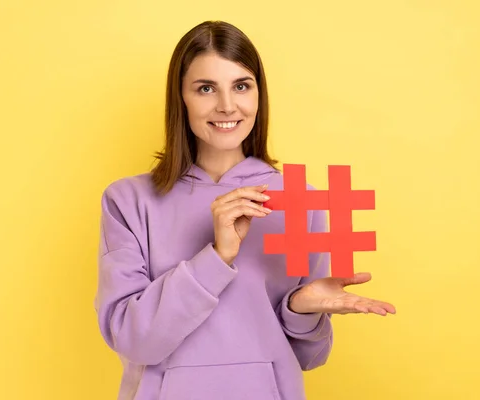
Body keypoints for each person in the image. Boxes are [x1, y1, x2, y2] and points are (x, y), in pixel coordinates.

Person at [94, 20, 396, 400]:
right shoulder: (129, 200)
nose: (227, 106)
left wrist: (302, 310)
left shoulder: (299, 198)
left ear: (258, 95)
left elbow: (311, 356)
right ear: (181, 98)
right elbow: (134, 341)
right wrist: (217, 256)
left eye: (241, 86)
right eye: (206, 88)